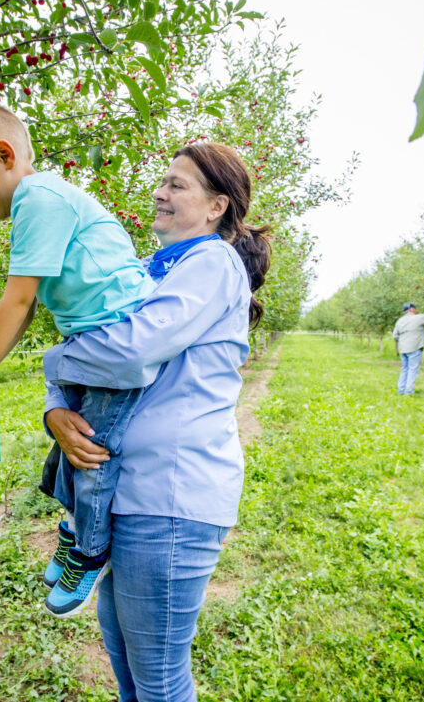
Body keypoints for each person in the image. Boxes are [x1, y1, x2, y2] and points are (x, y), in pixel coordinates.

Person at [42, 142, 270, 702]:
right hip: (128, 492)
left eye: (177, 185)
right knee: (125, 655)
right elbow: (87, 341)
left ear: (217, 206)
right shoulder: (148, 270)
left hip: (170, 497)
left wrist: (51, 363)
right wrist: (55, 406)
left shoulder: (212, 263)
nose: (159, 193)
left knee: (159, 677)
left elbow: (127, 352)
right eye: (162, 182)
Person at [0, 97, 156, 617]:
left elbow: (18, 300)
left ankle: (91, 552)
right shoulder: (37, 202)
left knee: (91, 454)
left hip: (118, 343)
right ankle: (74, 528)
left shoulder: (37, 197)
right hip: (90, 342)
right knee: (62, 451)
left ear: (4, 154)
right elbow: (25, 307)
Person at [391, 301, 424, 395]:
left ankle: (401, 389)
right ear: (411, 309)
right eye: (415, 308)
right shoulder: (418, 318)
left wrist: (403, 340)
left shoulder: (399, 321)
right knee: (412, 369)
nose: (416, 310)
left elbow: (395, 335)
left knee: (404, 368)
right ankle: (409, 391)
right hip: (414, 348)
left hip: (403, 349)